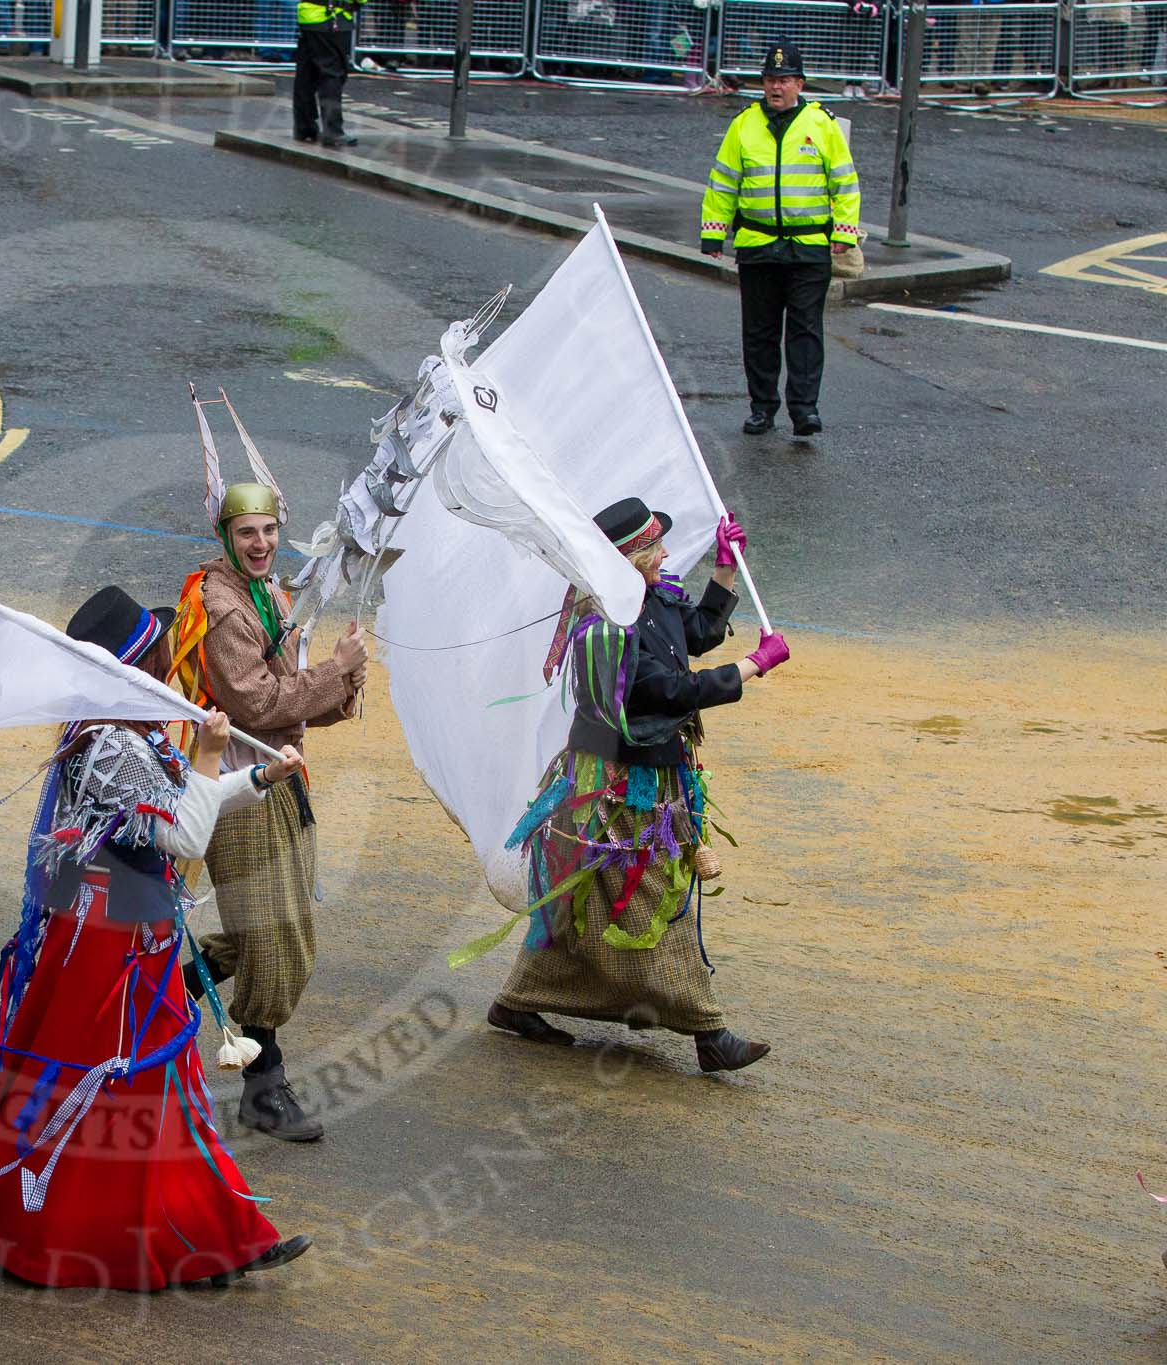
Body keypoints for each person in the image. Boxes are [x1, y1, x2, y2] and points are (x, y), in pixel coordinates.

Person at [0, 586, 314, 1290]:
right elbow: (183, 830)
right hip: (109, 948)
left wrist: (260, 775)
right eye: (157, 657)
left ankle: (209, 1234)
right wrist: (213, 757)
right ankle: (177, 1237)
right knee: (125, 1092)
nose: (168, 672)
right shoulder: (112, 746)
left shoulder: (129, 733)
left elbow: (188, 796)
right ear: (133, 666)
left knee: (146, 1092)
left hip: (120, 936)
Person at [487, 499, 786, 1072]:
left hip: (656, 772)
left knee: (587, 896)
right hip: (618, 786)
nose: (667, 554)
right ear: (625, 560)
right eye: (654, 547)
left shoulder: (648, 598)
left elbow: (695, 634)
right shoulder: (604, 626)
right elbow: (668, 691)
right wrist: (753, 666)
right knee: (651, 894)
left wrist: (725, 572)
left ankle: (518, 1000)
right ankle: (708, 1031)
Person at [168, 481, 364, 1143]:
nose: (261, 543)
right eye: (248, 532)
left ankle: (167, 983)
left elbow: (293, 695)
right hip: (240, 791)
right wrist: (334, 672)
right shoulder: (221, 605)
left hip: (281, 780)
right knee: (277, 936)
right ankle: (263, 1082)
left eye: (270, 531)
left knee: (282, 930)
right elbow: (255, 704)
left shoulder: (269, 593)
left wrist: (345, 678)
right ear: (225, 534)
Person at [700, 42, 860, 437]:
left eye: (785, 80)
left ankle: (804, 409)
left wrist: (844, 231)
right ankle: (762, 407)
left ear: (800, 84)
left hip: (808, 245)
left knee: (805, 330)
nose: (776, 87)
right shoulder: (744, 124)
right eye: (771, 80)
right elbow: (723, 183)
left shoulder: (822, 124)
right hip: (758, 244)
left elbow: (845, 182)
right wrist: (713, 233)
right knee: (759, 331)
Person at [292, 0, 359, 148]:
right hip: (331, 18)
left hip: (308, 16)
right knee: (332, 75)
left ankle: (304, 127)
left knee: (306, 74)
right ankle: (333, 131)